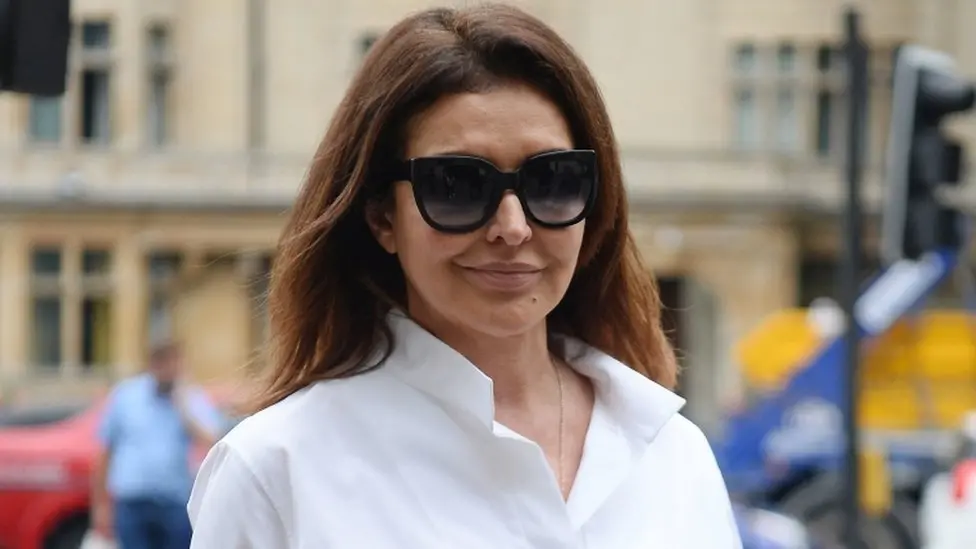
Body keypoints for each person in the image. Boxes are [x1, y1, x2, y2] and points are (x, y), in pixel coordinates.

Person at [188, 4, 741, 548]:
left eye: (551, 180)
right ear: (382, 215)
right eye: (457, 185)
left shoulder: (672, 454)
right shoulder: (277, 472)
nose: (513, 227)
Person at [92, 341, 223, 549]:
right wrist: (101, 506)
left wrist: (184, 408)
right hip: (132, 502)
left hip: (173, 502)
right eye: (162, 362)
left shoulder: (190, 396)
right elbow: (106, 450)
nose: (168, 369)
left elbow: (212, 440)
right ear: (152, 364)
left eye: (173, 362)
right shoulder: (126, 395)